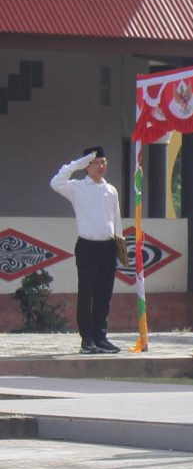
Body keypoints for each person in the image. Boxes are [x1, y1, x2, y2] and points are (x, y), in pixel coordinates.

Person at [50, 146, 124, 355]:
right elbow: (55, 183)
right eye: (96, 162)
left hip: (108, 246)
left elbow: (115, 219)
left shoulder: (111, 190)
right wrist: (77, 163)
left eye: (104, 162)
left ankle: (101, 337)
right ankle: (87, 339)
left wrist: (120, 246)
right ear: (87, 166)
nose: (101, 166)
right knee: (87, 294)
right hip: (88, 246)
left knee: (104, 295)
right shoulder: (77, 187)